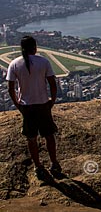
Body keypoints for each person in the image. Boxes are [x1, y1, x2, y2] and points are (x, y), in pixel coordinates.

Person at [6, 36, 60, 180]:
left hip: (26, 106)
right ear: (35, 47)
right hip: (43, 104)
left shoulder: (14, 63)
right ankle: (54, 163)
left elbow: (10, 88)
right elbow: (53, 85)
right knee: (49, 136)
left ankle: (38, 166)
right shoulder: (43, 62)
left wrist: (18, 104)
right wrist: (52, 101)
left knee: (31, 138)